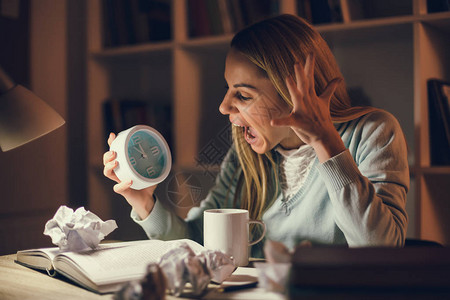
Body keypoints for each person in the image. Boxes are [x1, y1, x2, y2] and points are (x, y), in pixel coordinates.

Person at [103, 14, 409, 257]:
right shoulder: (245, 153)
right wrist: (144, 203)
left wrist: (324, 142)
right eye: (228, 90)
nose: (224, 107)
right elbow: (198, 243)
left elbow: (381, 252)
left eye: (243, 95)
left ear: (296, 94)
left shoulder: (374, 133)